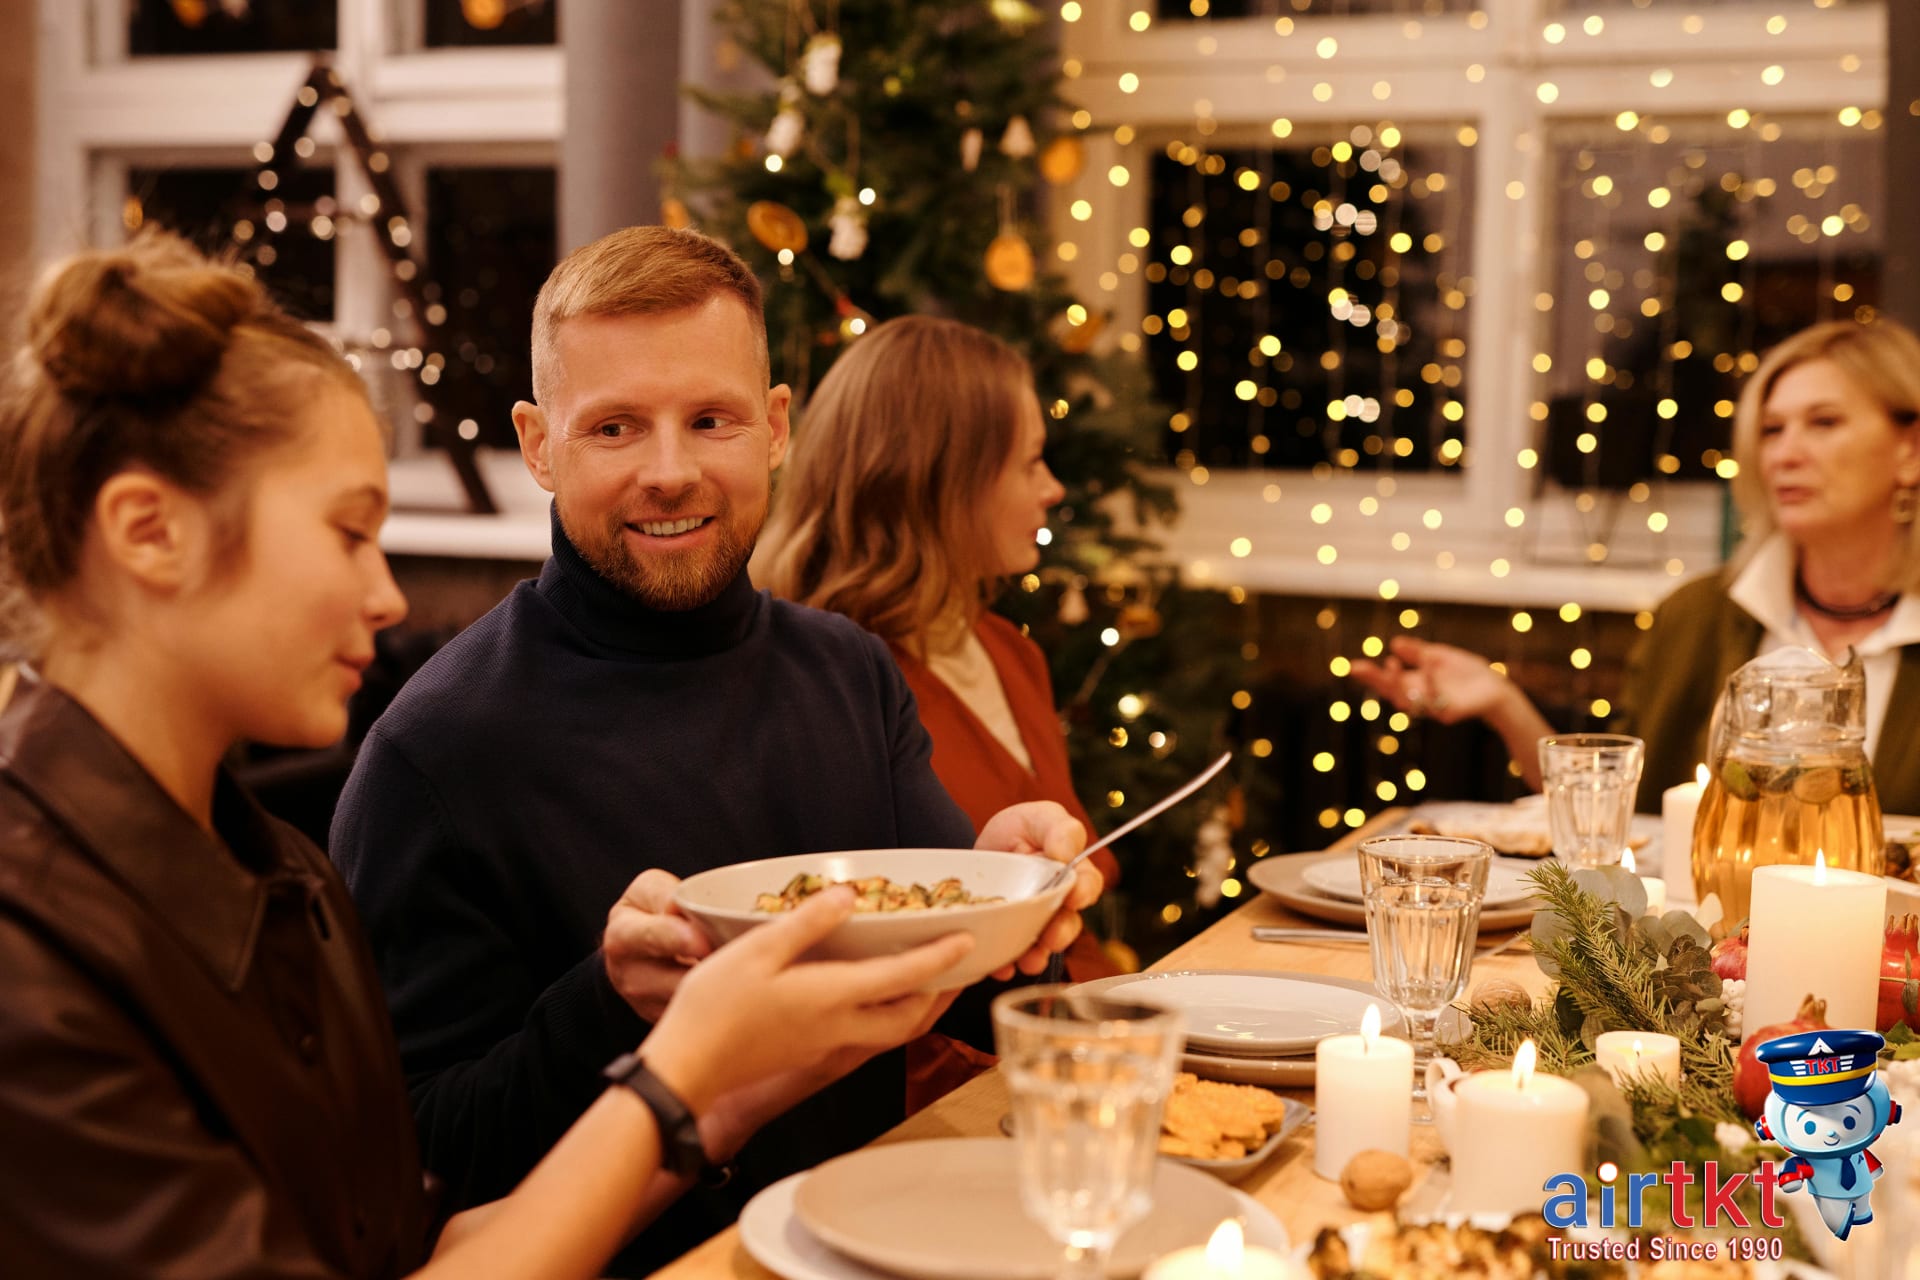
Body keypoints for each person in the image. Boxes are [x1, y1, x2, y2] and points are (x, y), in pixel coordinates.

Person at [0, 231, 977, 1278]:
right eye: (348, 531)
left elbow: (410, 1242)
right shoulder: (33, 951)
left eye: (709, 419)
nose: (386, 599)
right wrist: (674, 1074)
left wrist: (722, 1086)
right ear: (150, 532)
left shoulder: (271, 871)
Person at [329, 226, 1102, 1274]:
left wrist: (1013, 880)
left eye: (710, 419)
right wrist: (608, 1003)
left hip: (881, 1240)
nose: (670, 469)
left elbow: (954, 985)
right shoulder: (435, 753)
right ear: (538, 443)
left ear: (776, 427)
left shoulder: (848, 671)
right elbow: (411, 1165)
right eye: (613, 427)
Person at [756, 315, 1123, 1105]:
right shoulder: (822, 689)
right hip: (967, 1100)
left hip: (1081, 1047)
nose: (1053, 487)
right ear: (939, 480)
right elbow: (860, 1003)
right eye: (1028, 462)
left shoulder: (1008, 650)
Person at [1351, 318, 1920, 812]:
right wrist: (1504, 704)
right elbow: (1616, 807)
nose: (1784, 453)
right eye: (1772, 430)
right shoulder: (1698, 615)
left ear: (1909, 450)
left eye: (1823, 423)